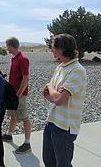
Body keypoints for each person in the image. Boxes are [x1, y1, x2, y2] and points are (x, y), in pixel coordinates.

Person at [42, 34, 87, 167]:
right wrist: (53, 94)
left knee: (62, 164)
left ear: (62, 49)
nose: (51, 50)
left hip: (64, 127)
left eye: (53, 47)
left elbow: (59, 99)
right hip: (51, 121)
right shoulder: (61, 67)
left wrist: (50, 87)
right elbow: (51, 96)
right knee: (48, 161)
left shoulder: (77, 70)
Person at [2, 36, 32, 153]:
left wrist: (19, 94)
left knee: (25, 118)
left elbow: (26, 78)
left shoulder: (23, 59)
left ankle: (27, 143)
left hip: (19, 95)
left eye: (7, 46)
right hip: (13, 94)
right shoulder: (14, 58)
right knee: (13, 114)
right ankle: (9, 134)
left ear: (11, 46)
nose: (6, 48)